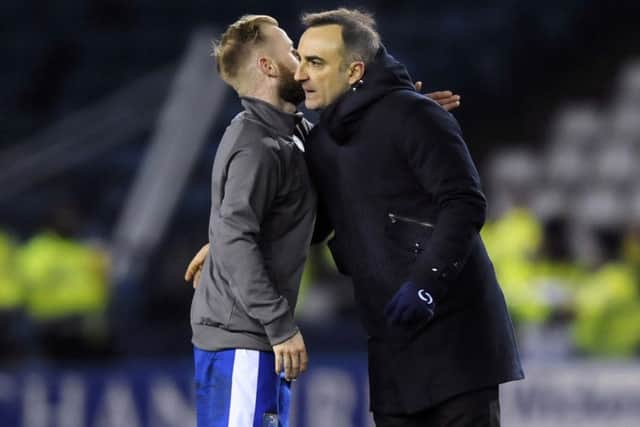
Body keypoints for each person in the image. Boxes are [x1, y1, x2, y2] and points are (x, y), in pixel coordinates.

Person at [186, 13, 461, 427]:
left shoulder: (294, 133)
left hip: (256, 335)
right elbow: (236, 238)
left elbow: (341, 163)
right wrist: (279, 327)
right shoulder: (257, 146)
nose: (301, 62)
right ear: (267, 66)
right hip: (242, 337)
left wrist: (400, 116)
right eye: (293, 52)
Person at [292, 8, 524, 427]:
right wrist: (227, 239)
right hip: (391, 349)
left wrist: (425, 284)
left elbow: (464, 202)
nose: (300, 74)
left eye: (315, 62)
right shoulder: (324, 141)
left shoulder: (414, 116)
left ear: (354, 70)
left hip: (453, 336)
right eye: (300, 59)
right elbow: (314, 224)